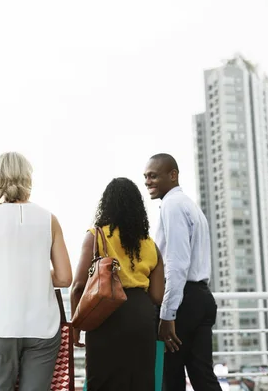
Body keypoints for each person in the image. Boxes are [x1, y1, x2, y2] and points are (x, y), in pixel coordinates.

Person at [0, 151, 72, 391]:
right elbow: (65, 277)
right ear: (28, 177)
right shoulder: (50, 219)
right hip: (43, 326)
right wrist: (37, 272)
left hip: (0, 323)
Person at [71, 177, 165, 391]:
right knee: (140, 382)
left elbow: (78, 286)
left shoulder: (96, 236)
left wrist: (76, 328)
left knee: (102, 381)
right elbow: (158, 296)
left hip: (105, 314)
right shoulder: (150, 244)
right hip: (141, 318)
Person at [144, 153, 220, 391]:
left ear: (173, 175)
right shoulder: (188, 204)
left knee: (171, 379)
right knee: (203, 377)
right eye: (145, 177)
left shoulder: (172, 205)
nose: (147, 181)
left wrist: (168, 315)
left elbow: (177, 264)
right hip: (201, 298)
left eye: (153, 176)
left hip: (183, 302)